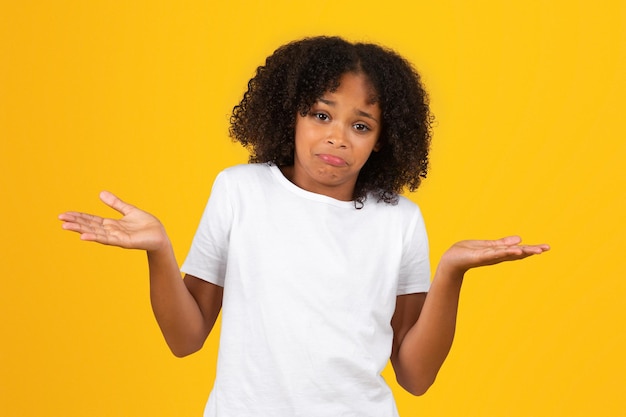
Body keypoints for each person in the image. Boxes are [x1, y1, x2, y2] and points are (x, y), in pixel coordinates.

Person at [59, 36, 549, 417]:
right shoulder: (240, 191)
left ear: (382, 140)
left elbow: (416, 376)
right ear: (288, 116)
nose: (337, 137)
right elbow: (185, 339)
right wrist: (159, 251)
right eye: (320, 114)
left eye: (361, 125)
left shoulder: (400, 221)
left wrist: (450, 273)